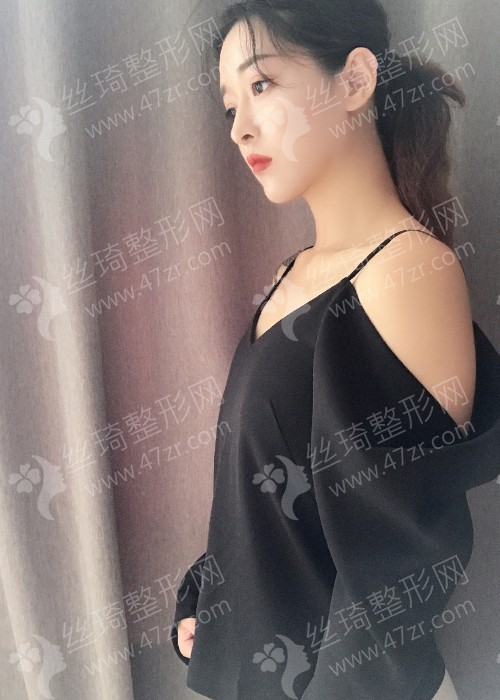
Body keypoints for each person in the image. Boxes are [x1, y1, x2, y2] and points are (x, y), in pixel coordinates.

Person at [171, 1, 500, 698]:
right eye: (229, 105)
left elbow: (399, 557)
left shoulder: (408, 272)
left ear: (354, 80)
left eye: (261, 84)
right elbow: (262, 493)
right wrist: (210, 600)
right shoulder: (290, 277)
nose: (238, 127)